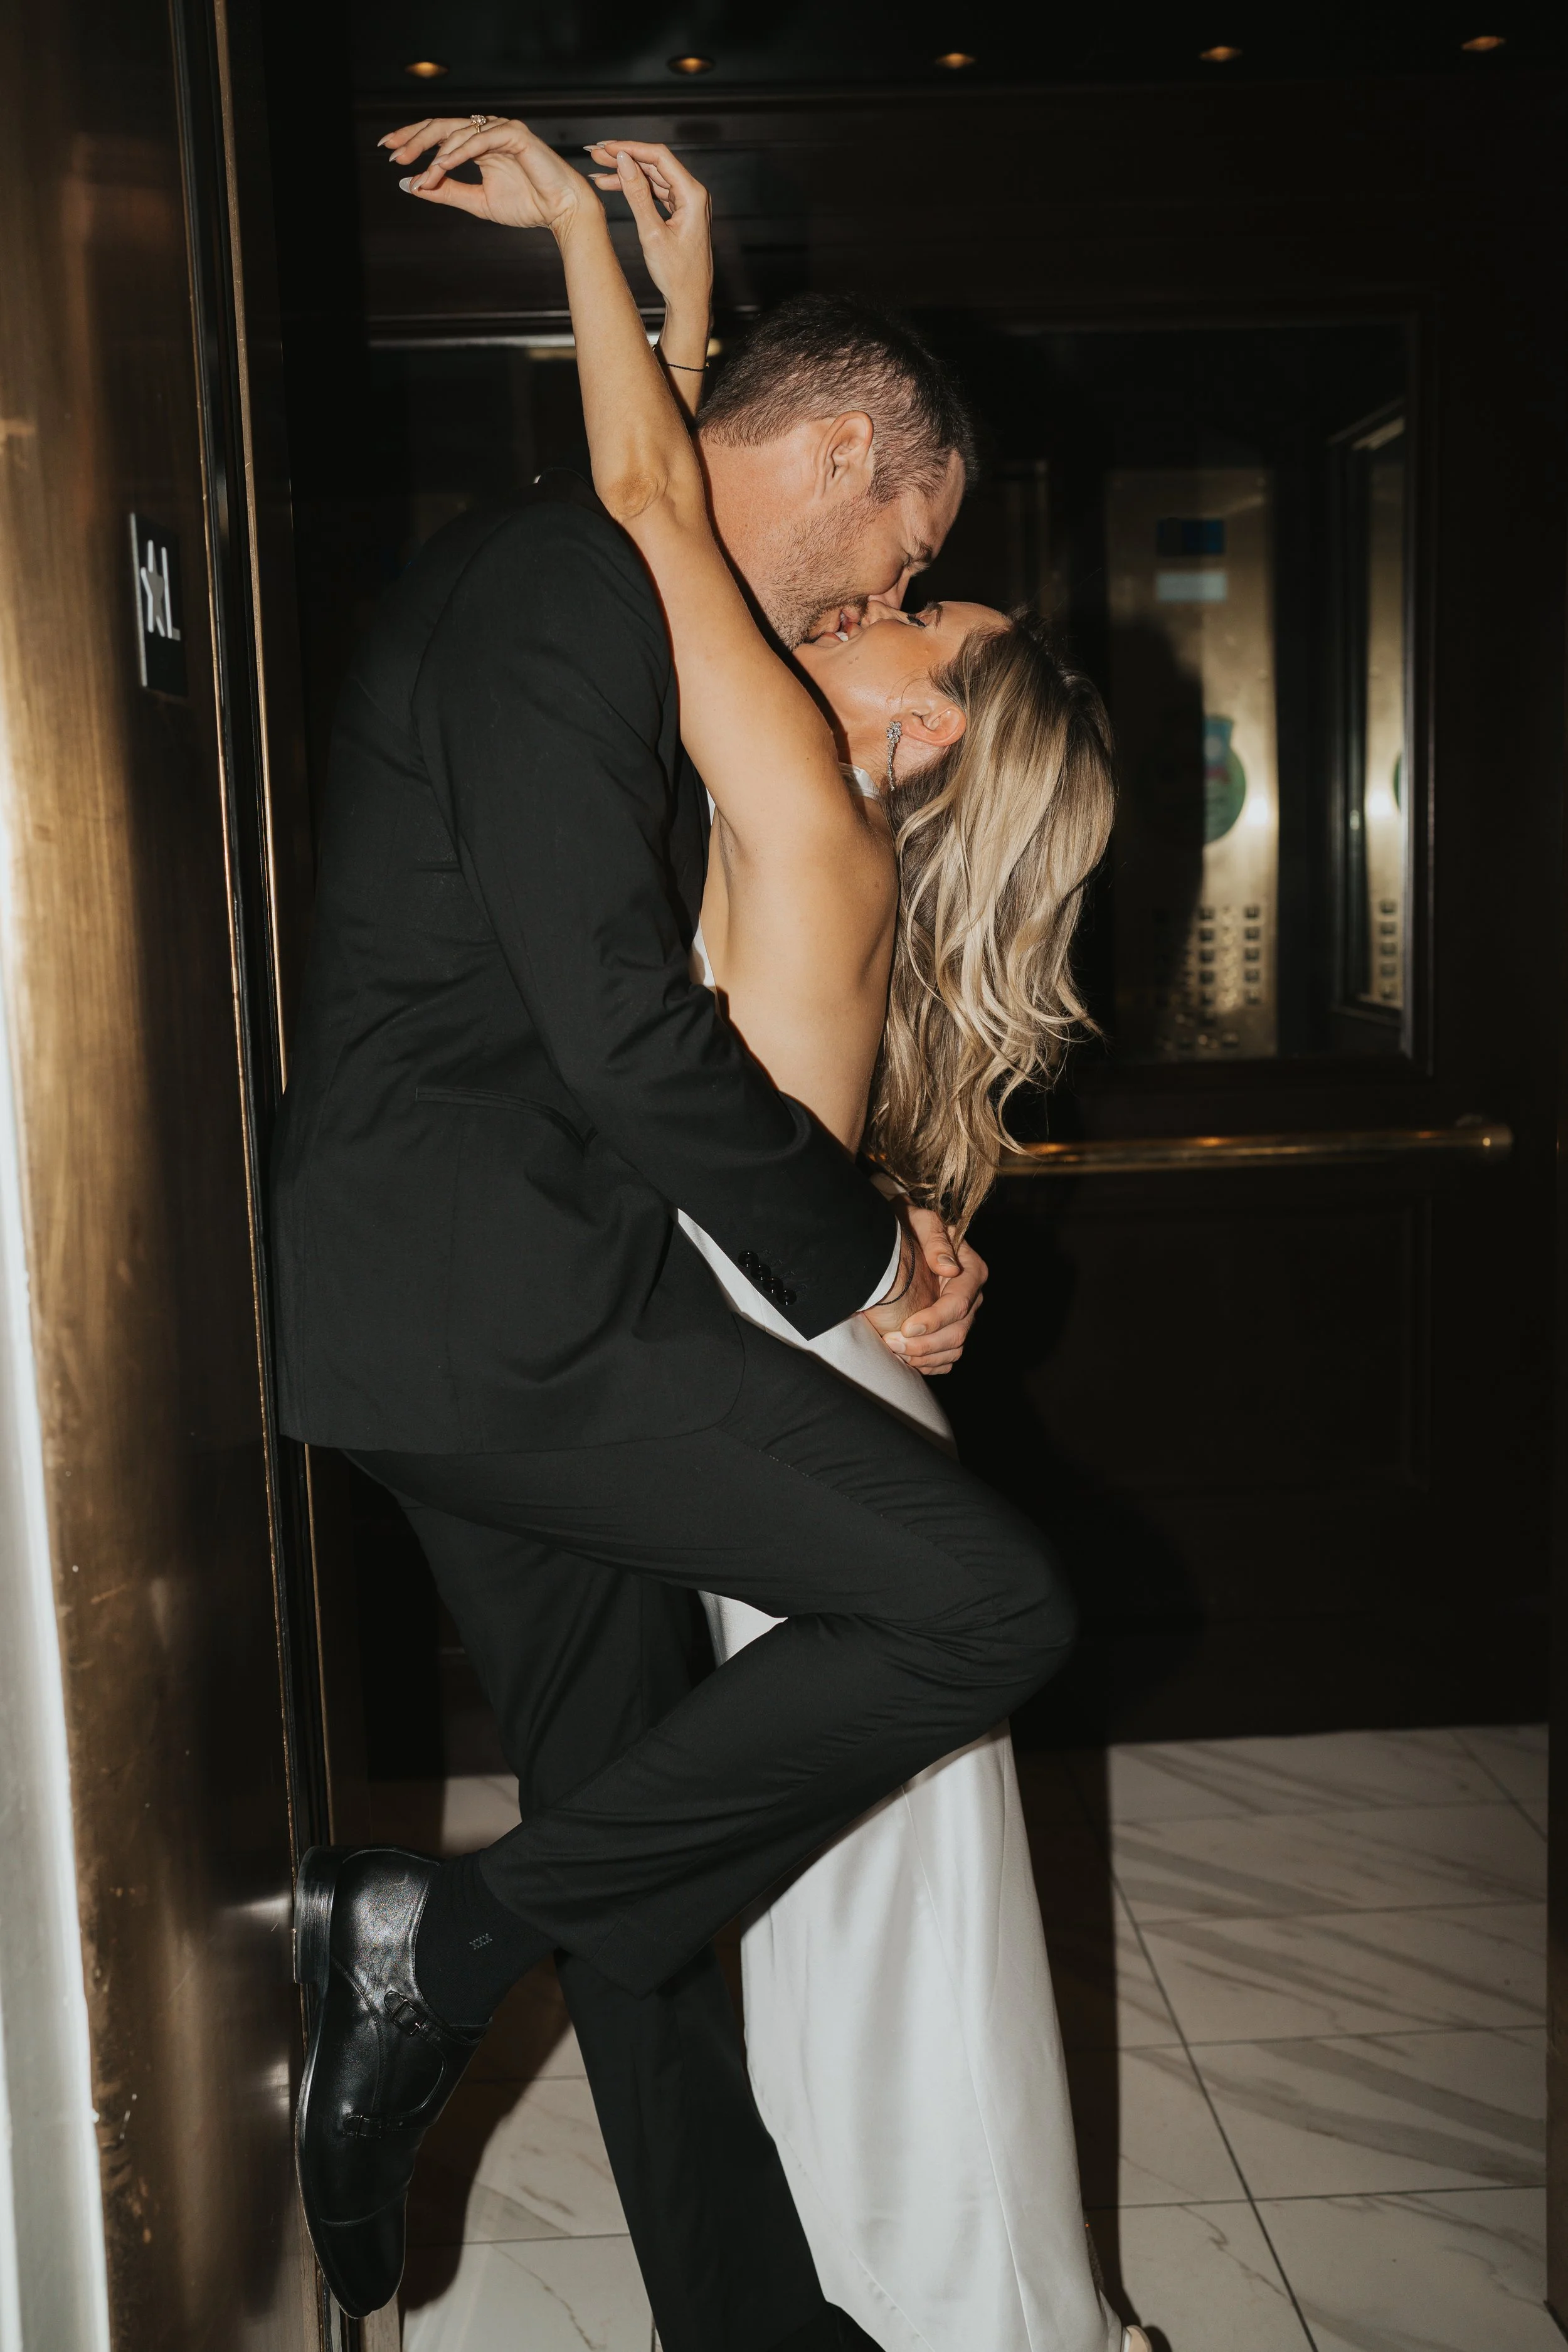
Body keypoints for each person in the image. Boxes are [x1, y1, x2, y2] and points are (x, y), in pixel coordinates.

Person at [274, 107, 1081, 2352]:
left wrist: (656, 297)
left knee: (635, 1858)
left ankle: (750, 2324)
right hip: (498, 1313)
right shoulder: (552, 592)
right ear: (841, 456)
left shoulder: (625, 591)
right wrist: (855, 1263)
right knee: (983, 1600)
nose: (874, 597)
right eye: (899, 544)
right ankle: (431, 1951)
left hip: (522, 1300)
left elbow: (674, 495)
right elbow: (627, 1035)